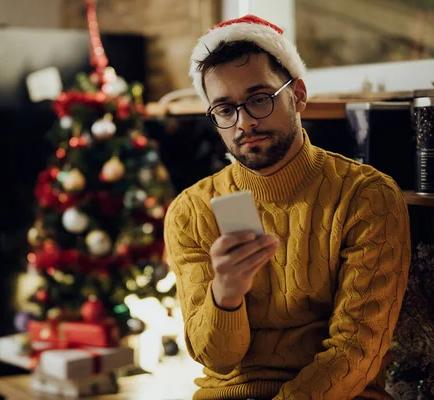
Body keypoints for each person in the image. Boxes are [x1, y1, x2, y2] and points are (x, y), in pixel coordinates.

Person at [164, 15, 411, 400]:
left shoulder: (367, 197)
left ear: (297, 95)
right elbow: (218, 360)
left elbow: (357, 351)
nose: (243, 122)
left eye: (259, 99)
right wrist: (226, 293)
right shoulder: (190, 211)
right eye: (225, 110)